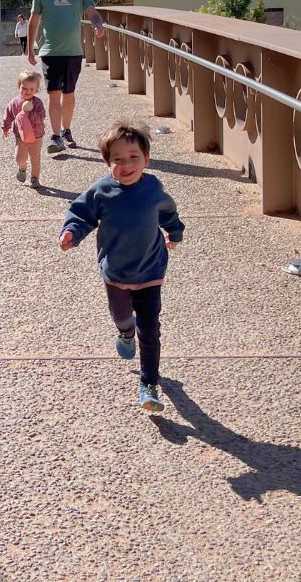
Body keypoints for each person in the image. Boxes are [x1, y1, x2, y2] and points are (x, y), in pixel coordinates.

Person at [60, 121, 184, 413]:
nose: (126, 165)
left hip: (150, 272)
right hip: (116, 273)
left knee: (151, 330)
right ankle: (125, 332)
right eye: (117, 159)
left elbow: (168, 212)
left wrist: (175, 233)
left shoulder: (153, 188)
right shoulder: (102, 191)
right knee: (121, 316)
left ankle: (149, 384)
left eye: (133, 157)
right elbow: (82, 213)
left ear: (146, 159)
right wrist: (71, 233)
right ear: (107, 163)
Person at [27, 0, 103, 154]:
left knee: (68, 94)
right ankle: (55, 136)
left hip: (73, 52)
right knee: (54, 94)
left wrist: (98, 25)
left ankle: (66, 130)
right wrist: (30, 49)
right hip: (50, 52)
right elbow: (34, 20)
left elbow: (92, 13)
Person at [0, 70, 46, 187]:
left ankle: (35, 178)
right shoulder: (15, 102)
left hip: (36, 136)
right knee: (20, 158)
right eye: (24, 88)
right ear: (19, 86)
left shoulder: (37, 103)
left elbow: (41, 117)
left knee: (35, 159)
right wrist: (6, 127)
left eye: (31, 89)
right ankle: (22, 167)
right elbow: (8, 115)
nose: (28, 92)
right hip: (21, 137)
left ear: (36, 89)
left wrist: (30, 112)